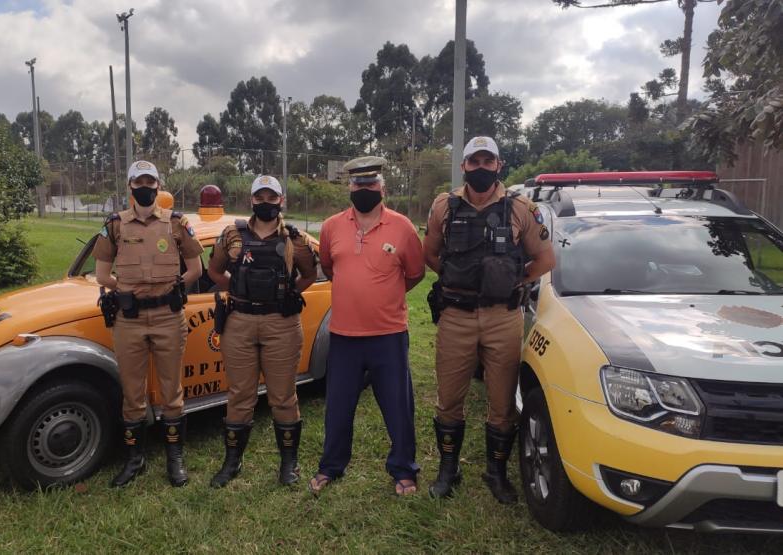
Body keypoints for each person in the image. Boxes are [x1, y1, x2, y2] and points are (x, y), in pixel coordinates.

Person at [422, 136, 555, 502]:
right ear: (464, 166)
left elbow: (544, 260)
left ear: (499, 165)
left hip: (503, 318)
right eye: (473, 161)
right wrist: (457, 280)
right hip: (456, 317)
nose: (481, 167)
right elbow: (430, 254)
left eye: (488, 161)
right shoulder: (443, 207)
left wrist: (514, 280)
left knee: (501, 402)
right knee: (449, 398)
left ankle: (496, 473)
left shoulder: (520, 209)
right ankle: (449, 470)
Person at [308, 156, 425, 496]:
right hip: (343, 336)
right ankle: (331, 466)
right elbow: (331, 267)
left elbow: (416, 273)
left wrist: (385, 296)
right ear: (349, 187)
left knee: (398, 406)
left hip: (388, 335)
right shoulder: (331, 227)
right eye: (358, 183)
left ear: (382, 187)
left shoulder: (402, 227)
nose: (364, 189)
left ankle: (404, 469)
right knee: (339, 406)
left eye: (370, 183)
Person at [94, 160, 204, 488]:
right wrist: (127, 291)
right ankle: (134, 460)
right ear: (130, 187)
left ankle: (175, 460)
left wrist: (173, 289)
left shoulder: (177, 223)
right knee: (132, 393)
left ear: (158, 186)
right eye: (139, 181)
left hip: (169, 317)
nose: (145, 187)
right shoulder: (114, 225)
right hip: (129, 320)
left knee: (172, 391)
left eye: (150, 181)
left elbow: (196, 269)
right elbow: (101, 276)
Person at [206, 175, 318, 487]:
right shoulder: (232, 234)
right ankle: (232, 462)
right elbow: (214, 270)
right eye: (260, 197)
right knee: (240, 394)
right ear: (251, 200)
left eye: (272, 198)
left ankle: (289, 463)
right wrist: (239, 289)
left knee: (282, 396)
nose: (265, 203)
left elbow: (310, 273)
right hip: (239, 322)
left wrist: (286, 295)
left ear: (281, 200)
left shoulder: (296, 239)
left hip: (280, 325)